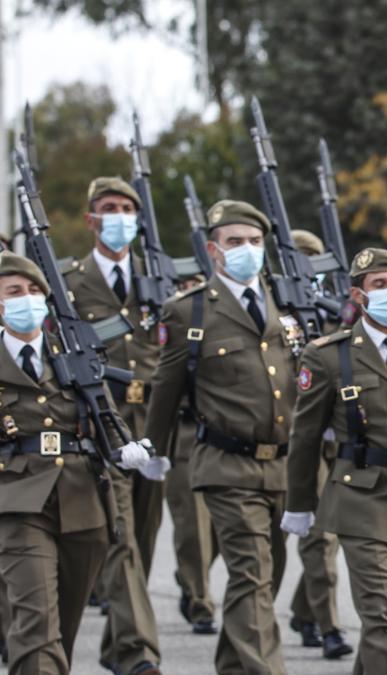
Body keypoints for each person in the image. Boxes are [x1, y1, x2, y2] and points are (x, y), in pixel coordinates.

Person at [145, 199, 298, 675]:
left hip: (282, 466)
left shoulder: (289, 304)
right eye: (235, 242)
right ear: (214, 250)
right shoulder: (188, 311)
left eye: (254, 242)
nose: (246, 250)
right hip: (224, 464)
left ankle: (234, 666)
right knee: (252, 574)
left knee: (263, 580)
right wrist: (155, 450)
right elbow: (165, 393)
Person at [283, 247, 387, 674]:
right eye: (379, 285)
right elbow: (305, 438)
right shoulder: (329, 356)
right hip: (361, 500)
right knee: (381, 621)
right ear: (358, 295)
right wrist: (299, 504)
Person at [0, 251, 162, 674]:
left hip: (83, 501)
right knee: (36, 625)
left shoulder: (73, 353)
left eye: (35, 290)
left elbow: (103, 412)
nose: (27, 299)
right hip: (17, 503)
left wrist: (123, 448)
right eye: (14, 291)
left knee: (60, 629)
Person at [62, 177, 163, 675]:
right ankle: (137, 653)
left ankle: (114, 644)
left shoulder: (157, 280)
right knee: (121, 537)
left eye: (127, 208)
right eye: (109, 208)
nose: (120, 216)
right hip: (105, 423)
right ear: (91, 219)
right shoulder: (68, 282)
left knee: (142, 540)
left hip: (156, 423)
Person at [283, 229, 352, 660]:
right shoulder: (280, 312)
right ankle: (328, 626)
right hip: (305, 434)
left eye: (315, 260)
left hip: (343, 434)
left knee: (336, 534)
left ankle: (303, 609)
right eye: (301, 261)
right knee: (319, 536)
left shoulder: (335, 310)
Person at [161, 274, 218, 635]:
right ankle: (200, 601)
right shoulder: (178, 322)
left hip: (228, 436)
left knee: (225, 529)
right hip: (186, 432)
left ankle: (189, 575)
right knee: (193, 526)